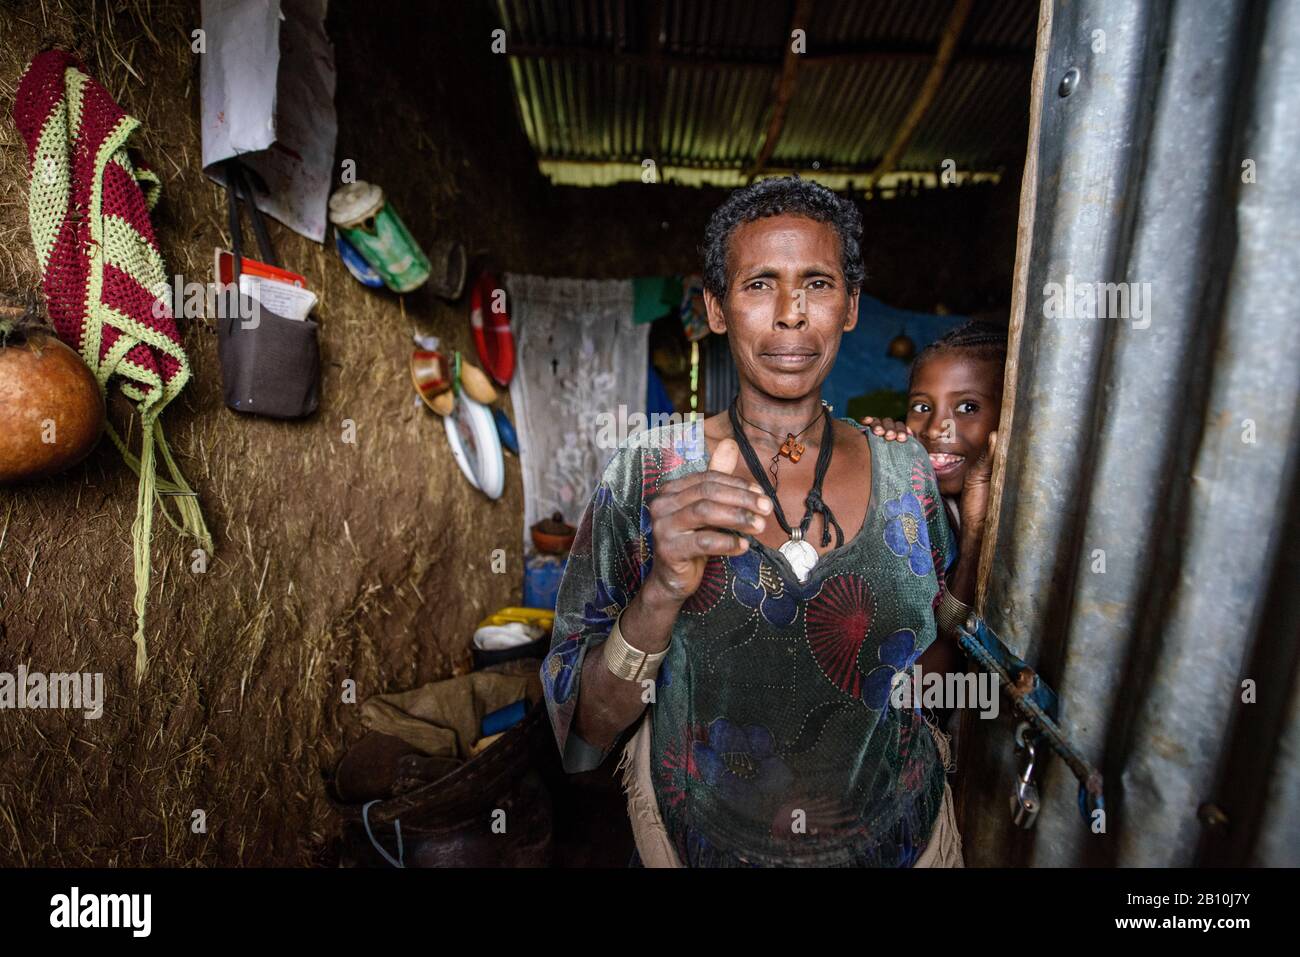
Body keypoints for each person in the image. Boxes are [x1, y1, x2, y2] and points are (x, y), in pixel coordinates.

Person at [540, 177, 995, 867]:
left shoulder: (909, 479)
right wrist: (663, 589)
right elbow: (584, 738)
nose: (791, 314)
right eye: (759, 284)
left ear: (850, 307)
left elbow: (931, 692)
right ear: (717, 308)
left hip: (903, 844)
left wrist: (979, 545)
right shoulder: (648, 473)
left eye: (817, 283)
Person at [863, 320, 1007, 533]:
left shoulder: (1030, 514)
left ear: (1009, 414)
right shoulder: (905, 507)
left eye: (967, 407)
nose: (933, 429)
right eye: (922, 407)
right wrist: (876, 460)